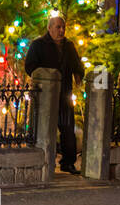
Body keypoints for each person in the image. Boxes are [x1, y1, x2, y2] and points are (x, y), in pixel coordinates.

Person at [24, 15, 85, 173]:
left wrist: (79, 74)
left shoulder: (69, 46)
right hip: (45, 95)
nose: (61, 30)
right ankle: (42, 160)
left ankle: (68, 162)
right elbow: (30, 66)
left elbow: (77, 65)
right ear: (49, 28)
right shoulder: (38, 45)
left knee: (67, 129)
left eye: (63, 27)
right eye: (58, 27)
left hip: (64, 93)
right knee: (43, 129)